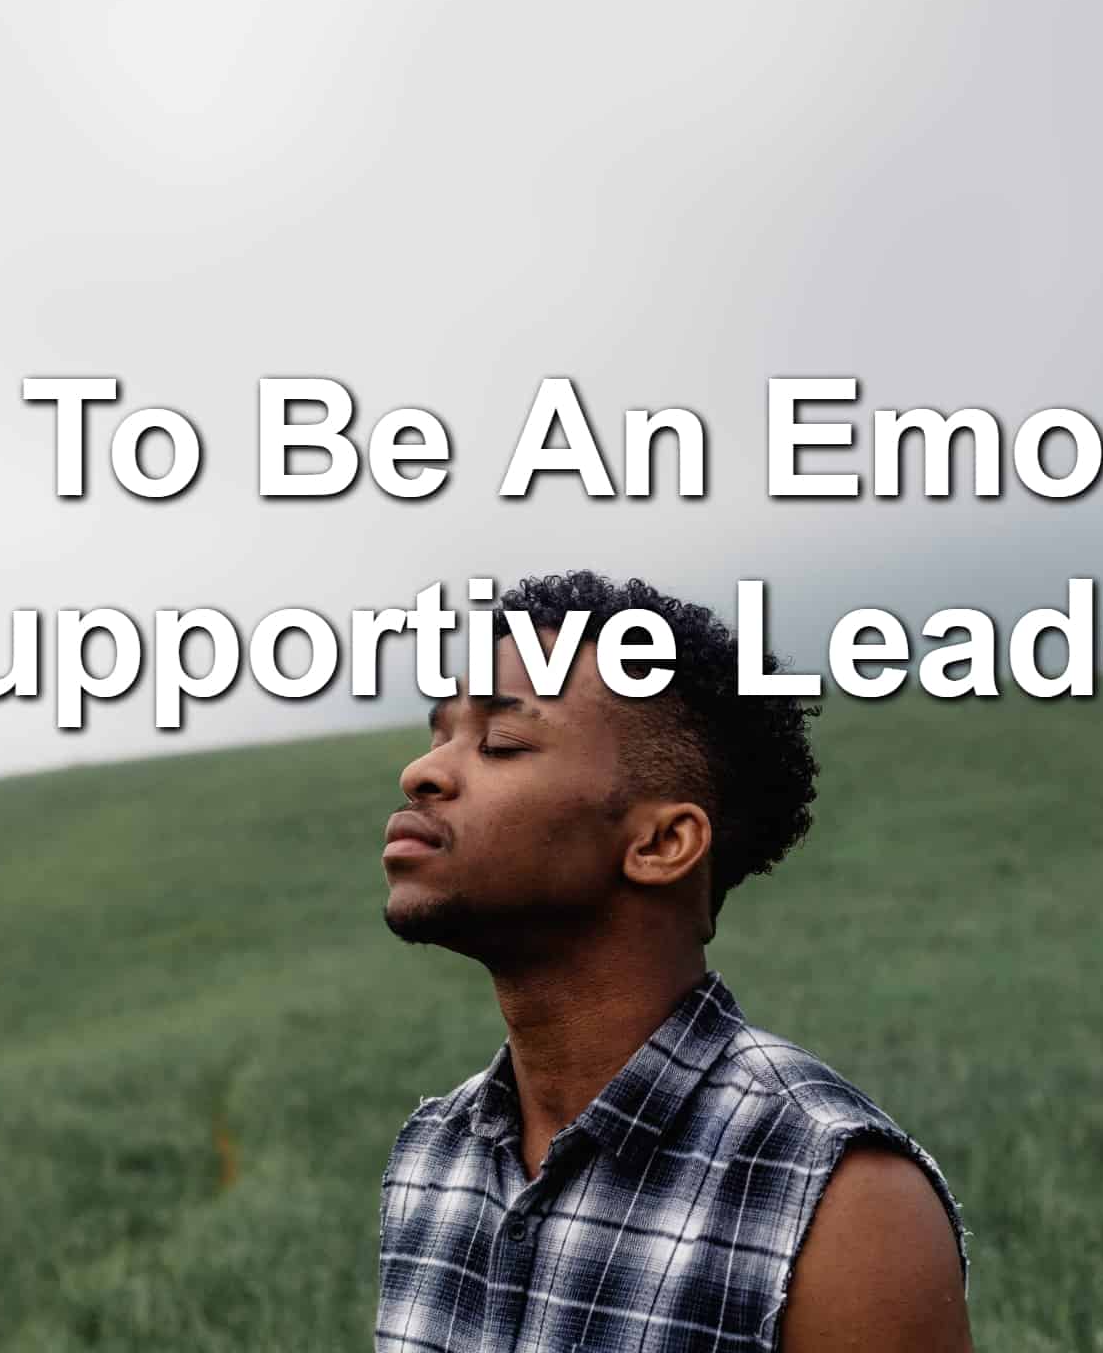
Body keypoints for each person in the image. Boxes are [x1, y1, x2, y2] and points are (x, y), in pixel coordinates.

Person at [374, 570, 972, 1351]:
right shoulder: (431, 1154)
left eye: (501, 743)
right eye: (438, 734)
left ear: (660, 844)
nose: (423, 773)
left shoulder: (838, 1198)